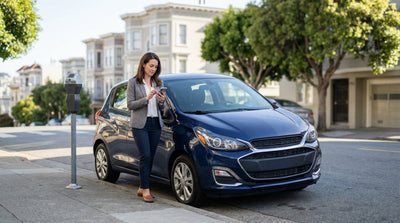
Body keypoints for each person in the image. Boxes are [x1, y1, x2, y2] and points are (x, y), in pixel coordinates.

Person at [127, 52, 166, 203]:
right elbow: (130, 105)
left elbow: (160, 107)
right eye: (151, 66)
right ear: (143, 64)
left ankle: (142, 187)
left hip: (155, 123)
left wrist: (161, 101)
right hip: (140, 125)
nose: (153, 69)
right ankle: (146, 191)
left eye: (156, 67)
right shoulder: (134, 82)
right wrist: (146, 98)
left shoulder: (158, 82)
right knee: (146, 156)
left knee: (150, 158)